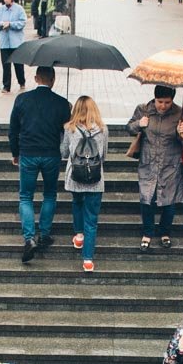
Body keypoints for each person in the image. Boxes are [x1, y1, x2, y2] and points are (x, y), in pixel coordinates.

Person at [10, 66, 72, 263]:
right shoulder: (62, 103)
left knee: (25, 196)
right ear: (53, 80)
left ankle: (29, 238)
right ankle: (44, 234)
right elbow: (67, 131)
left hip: (28, 153)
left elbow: (13, 129)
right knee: (50, 194)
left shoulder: (22, 99)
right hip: (51, 154)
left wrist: (15, 153)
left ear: (36, 78)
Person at [127, 85, 183, 250]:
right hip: (149, 161)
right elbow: (129, 128)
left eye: (167, 102)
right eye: (160, 102)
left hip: (170, 163)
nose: (163, 106)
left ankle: (165, 232)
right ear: (154, 98)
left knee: (170, 200)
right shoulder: (143, 109)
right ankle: (147, 232)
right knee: (147, 198)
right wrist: (139, 124)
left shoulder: (180, 113)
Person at [61, 95, 108, 273]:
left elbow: (64, 153)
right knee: (92, 220)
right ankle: (88, 260)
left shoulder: (69, 128)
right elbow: (103, 156)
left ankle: (79, 234)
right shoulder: (103, 129)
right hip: (95, 179)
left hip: (75, 176)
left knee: (77, 202)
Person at [0, 0, 27, 93]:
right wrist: (1, 24)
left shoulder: (19, 9)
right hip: (4, 43)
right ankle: (6, 86)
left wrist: (11, 24)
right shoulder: (0, 10)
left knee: (18, 64)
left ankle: (21, 82)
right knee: (6, 65)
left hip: (16, 42)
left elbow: (22, 22)